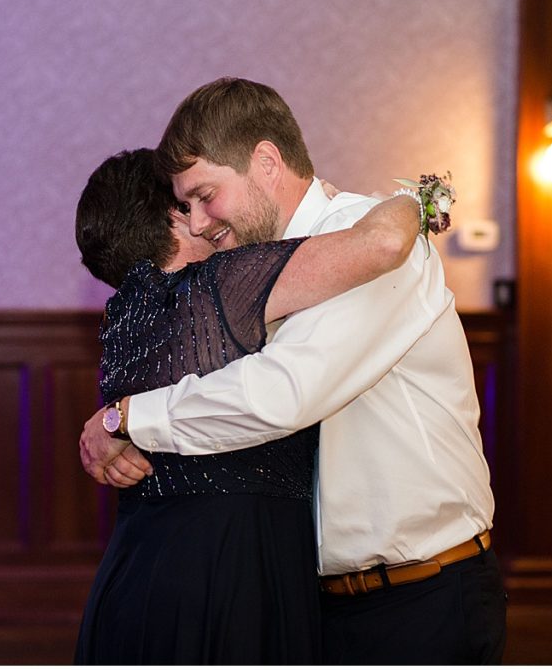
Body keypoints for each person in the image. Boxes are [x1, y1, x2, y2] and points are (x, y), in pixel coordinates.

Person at [79, 78, 507, 664]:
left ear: (265, 161)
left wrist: (127, 417)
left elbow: (285, 394)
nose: (200, 222)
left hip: (419, 597)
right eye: (186, 207)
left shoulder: (361, 244)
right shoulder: (249, 271)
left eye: (206, 196)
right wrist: (110, 424)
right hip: (313, 600)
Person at [72, 147, 422, 664]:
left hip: (135, 575)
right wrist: (416, 197)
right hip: (232, 573)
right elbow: (382, 241)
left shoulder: (120, 323)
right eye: (192, 201)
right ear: (174, 216)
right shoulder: (220, 286)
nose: (207, 216)